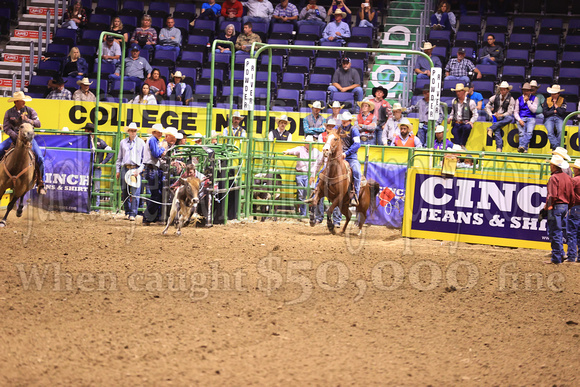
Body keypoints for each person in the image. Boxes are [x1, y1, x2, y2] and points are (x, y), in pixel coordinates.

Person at [0, 91, 45, 194]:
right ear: (16, 102)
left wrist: (28, 120)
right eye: (22, 100)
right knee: (0, 149)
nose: (24, 102)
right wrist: (15, 136)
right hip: (14, 138)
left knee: (40, 158)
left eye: (24, 100)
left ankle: (41, 183)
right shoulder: (9, 112)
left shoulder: (30, 111)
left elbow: (38, 123)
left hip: (29, 140)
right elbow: (6, 127)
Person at [311, 119, 342, 227]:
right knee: (319, 185)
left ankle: (337, 220)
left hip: (336, 164)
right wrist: (313, 174)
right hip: (327, 166)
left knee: (340, 189)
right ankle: (315, 194)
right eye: (329, 126)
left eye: (332, 126)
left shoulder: (336, 138)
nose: (330, 128)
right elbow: (319, 160)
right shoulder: (327, 139)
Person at [544, 154, 573, 264]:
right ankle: (560, 254)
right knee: (559, 230)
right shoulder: (567, 178)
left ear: (554, 166)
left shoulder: (553, 178)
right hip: (565, 206)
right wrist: (568, 206)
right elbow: (571, 195)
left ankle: (557, 257)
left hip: (555, 206)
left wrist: (547, 207)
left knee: (554, 231)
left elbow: (552, 195)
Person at [282, 135, 320, 217]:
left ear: (312, 144)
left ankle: (306, 212)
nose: (308, 144)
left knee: (308, 193)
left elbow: (322, 156)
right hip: (300, 173)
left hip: (309, 175)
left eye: (310, 143)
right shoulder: (300, 149)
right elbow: (293, 150)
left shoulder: (316, 151)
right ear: (305, 143)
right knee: (302, 194)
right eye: (307, 143)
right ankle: (304, 213)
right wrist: (287, 152)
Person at [116, 122, 146, 221]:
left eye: (134, 130)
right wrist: (118, 170)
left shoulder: (141, 143)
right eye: (131, 130)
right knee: (125, 191)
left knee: (135, 192)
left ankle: (133, 213)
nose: (133, 132)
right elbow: (119, 158)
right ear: (128, 131)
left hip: (135, 168)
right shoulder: (122, 142)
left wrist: (140, 170)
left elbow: (144, 159)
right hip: (125, 167)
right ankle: (127, 211)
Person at [83, 123, 113, 210]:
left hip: (95, 168)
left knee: (96, 187)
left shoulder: (100, 142)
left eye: (88, 131)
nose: (86, 132)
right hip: (86, 167)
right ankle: (88, 205)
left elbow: (110, 151)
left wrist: (102, 163)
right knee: (86, 186)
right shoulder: (84, 141)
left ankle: (95, 207)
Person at [142, 124, 166, 225]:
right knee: (155, 195)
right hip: (151, 169)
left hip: (152, 169)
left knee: (156, 194)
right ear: (154, 132)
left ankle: (151, 217)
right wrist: (163, 149)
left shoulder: (153, 140)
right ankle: (147, 217)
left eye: (160, 132)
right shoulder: (152, 140)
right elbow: (156, 154)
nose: (160, 134)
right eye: (158, 132)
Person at [337, 112, 361, 206]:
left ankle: (356, 195)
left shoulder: (354, 130)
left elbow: (357, 144)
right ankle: (316, 191)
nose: (343, 123)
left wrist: (346, 153)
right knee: (324, 170)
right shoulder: (338, 128)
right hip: (338, 156)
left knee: (356, 171)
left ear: (350, 121)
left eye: (345, 121)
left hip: (351, 157)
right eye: (343, 121)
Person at [485, 81, 516, 152]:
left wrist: (501, 115)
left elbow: (510, 112)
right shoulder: (495, 97)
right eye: (501, 89)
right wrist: (491, 115)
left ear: (507, 90)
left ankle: (491, 128)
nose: (502, 91)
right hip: (495, 116)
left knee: (510, 118)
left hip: (504, 116)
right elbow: (487, 106)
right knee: (497, 130)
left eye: (504, 89)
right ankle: (499, 147)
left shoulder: (511, 99)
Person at [448, 83, 478, 149]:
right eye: (457, 91)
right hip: (456, 123)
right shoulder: (454, 101)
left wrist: (471, 121)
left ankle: (462, 145)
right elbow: (452, 112)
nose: (458, 93)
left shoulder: (471, 102)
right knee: (457, 143)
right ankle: (461, 148)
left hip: (465, 123)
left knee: (467, 127)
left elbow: (475, 114)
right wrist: (450, 118)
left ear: (463, 91)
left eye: (459, 91)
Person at [514, 82, 538, 153]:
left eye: (527, 90)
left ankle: (522, 147)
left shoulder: (535, 98)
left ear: (530, 91)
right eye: (524, 90)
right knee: (521, 133)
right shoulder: (518, 99)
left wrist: (528, 102)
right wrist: (519, 120)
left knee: (529, 132)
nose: (525, 92)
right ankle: (524, 148)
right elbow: (516, 112)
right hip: (521, 117)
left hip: (531, 117)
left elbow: (534, 110)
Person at [542, 84, 568, 150]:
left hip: (559, 118)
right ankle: (557, 148)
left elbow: (562, 112)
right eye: (552, 93)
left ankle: (556, 148)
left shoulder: (563, 100)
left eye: (554, 93)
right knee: (550, 132)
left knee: (561, 131)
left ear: (558, 94)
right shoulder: (547, 100)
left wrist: (556, 106)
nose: (552, 95)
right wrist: (554, 111)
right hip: (549, 118)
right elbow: (545, 113)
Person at [566, 159, 580, 262]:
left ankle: (571, 256)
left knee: (572, 232)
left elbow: (569, 193)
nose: (574, 169)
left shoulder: (574, 180)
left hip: (575, 207)